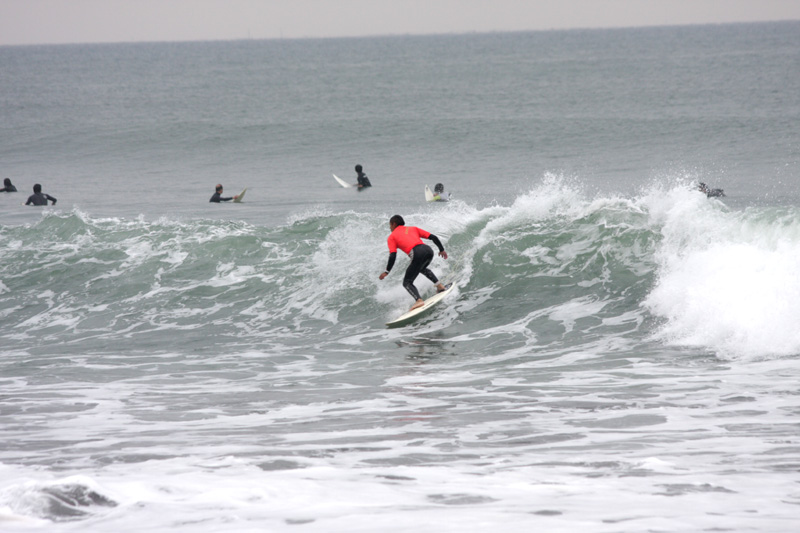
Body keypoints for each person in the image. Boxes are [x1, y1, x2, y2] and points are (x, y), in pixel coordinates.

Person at [379, 214, 448, 311]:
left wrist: (387, 271)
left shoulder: (392, 237)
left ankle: (418, 300)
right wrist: (441, 250)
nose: (390, 228)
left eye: (390, 225)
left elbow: (393, 255)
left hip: (417, 253)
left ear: (394, 224)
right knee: (422, 269)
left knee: (407, 282)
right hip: (428, 251)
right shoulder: (413, 228)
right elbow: (433, 237)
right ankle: (440, 286)